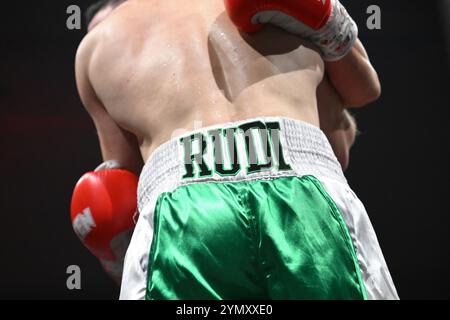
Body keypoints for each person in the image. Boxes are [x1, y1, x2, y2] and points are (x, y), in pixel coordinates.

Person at [72, 0, 398, 299]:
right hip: (301, 189)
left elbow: (120, 191)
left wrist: (114, 256)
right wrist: (332, 22)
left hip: (185, 212)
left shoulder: (96, 45)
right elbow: (363, 95)